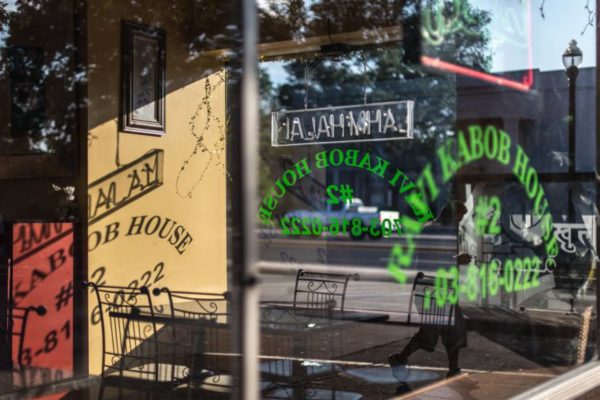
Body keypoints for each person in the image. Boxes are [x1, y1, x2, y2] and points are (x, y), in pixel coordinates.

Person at [388, 201, 471, 378]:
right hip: (432, 288)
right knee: (433, 331)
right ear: (451, 214)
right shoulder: (433, 230)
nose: (460, 221)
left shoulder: (444, 230)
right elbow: (434, 260)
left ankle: (452, 368)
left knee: (451, 329)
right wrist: (458, 260)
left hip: (442, 288)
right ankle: (400, 358)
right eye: (459, 217)